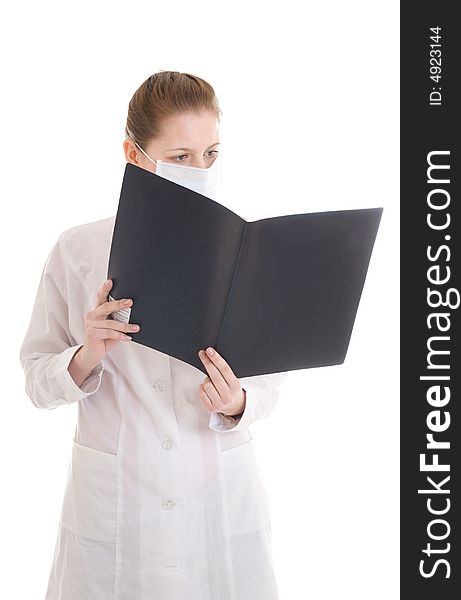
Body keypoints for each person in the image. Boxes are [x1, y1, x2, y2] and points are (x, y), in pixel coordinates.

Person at [19, 70, 289, 600]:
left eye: (211, 153)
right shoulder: (79, 250)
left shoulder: (245, 249)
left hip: (218, 492)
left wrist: (238, 401)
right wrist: (85, 355)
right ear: (134, 154)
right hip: (118, 505)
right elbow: (36, 379)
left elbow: (269, 383)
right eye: (181, 156)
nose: (201, 170)